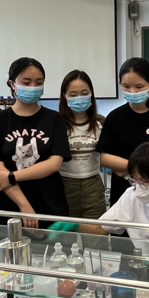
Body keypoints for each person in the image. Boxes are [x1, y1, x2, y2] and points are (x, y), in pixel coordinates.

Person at [0, 57, 71, 228]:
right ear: (12, 84)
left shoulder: (54, 119)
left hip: (50, 203)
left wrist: (12, 176)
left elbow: (54, 164)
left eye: (39, 82)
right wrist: (24, 206)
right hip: (10, 206)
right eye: (26, 82)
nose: (33, 87)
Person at [96, 58, 149, 206]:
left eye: (139, 86)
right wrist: (134, 166)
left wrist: (127, 168)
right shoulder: (115, 117)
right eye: (126, 86)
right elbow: (104, 157)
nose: (132, 91)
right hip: (123, 191)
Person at [58, 70, 107, 219]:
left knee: (95, 232)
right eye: (73, 95)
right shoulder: (57, 122)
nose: (79, 98)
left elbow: (105, 155)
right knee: (65, 232)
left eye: (84, 93)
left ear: (91, 93)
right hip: (64, 185)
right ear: (65, 96)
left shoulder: (101, 122)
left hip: (93, 186)